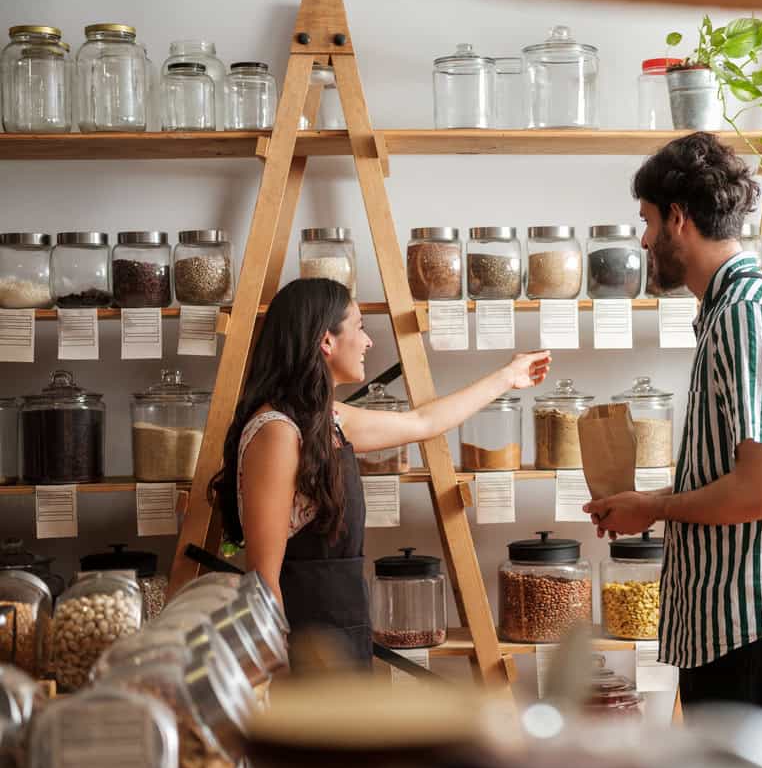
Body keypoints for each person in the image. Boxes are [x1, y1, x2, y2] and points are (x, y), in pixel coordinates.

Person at [583, 132, 762, 710]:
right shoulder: (739, 309)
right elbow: (741, 476)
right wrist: (644, 501)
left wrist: (653, 507)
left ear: (678, 219)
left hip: (755, 627)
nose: (644, 240)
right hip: (745, 627)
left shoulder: (746, 316)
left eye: (646, 222)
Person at [210, 278, 551, 666]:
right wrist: (279, 671)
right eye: (359, 327)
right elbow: (262, 576)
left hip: (344, 631)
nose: (369, 341)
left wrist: (508, 377)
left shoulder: (326, 421)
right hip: (303, 646)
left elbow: (423, 422)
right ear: (326, 341)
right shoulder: (276, 431)